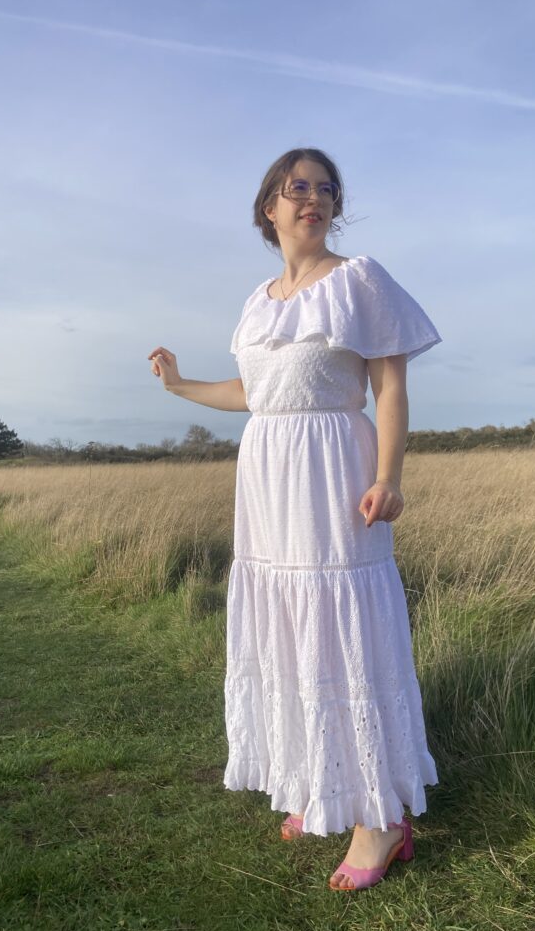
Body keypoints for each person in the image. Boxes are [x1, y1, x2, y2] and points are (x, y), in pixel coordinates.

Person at [148, 147, 441, 891]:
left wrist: (389, 477)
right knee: (287, 626)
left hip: (334, 474)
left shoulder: (360, 280)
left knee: (344, 624)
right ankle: (322, 784)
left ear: (333, 207)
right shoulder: (259, 300)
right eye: (296, 187)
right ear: (268, 208)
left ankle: (380, 818)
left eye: (324, 189)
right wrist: (181, 385)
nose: (312, 197)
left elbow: (390, 387)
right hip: (269, 483)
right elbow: (253, 394)